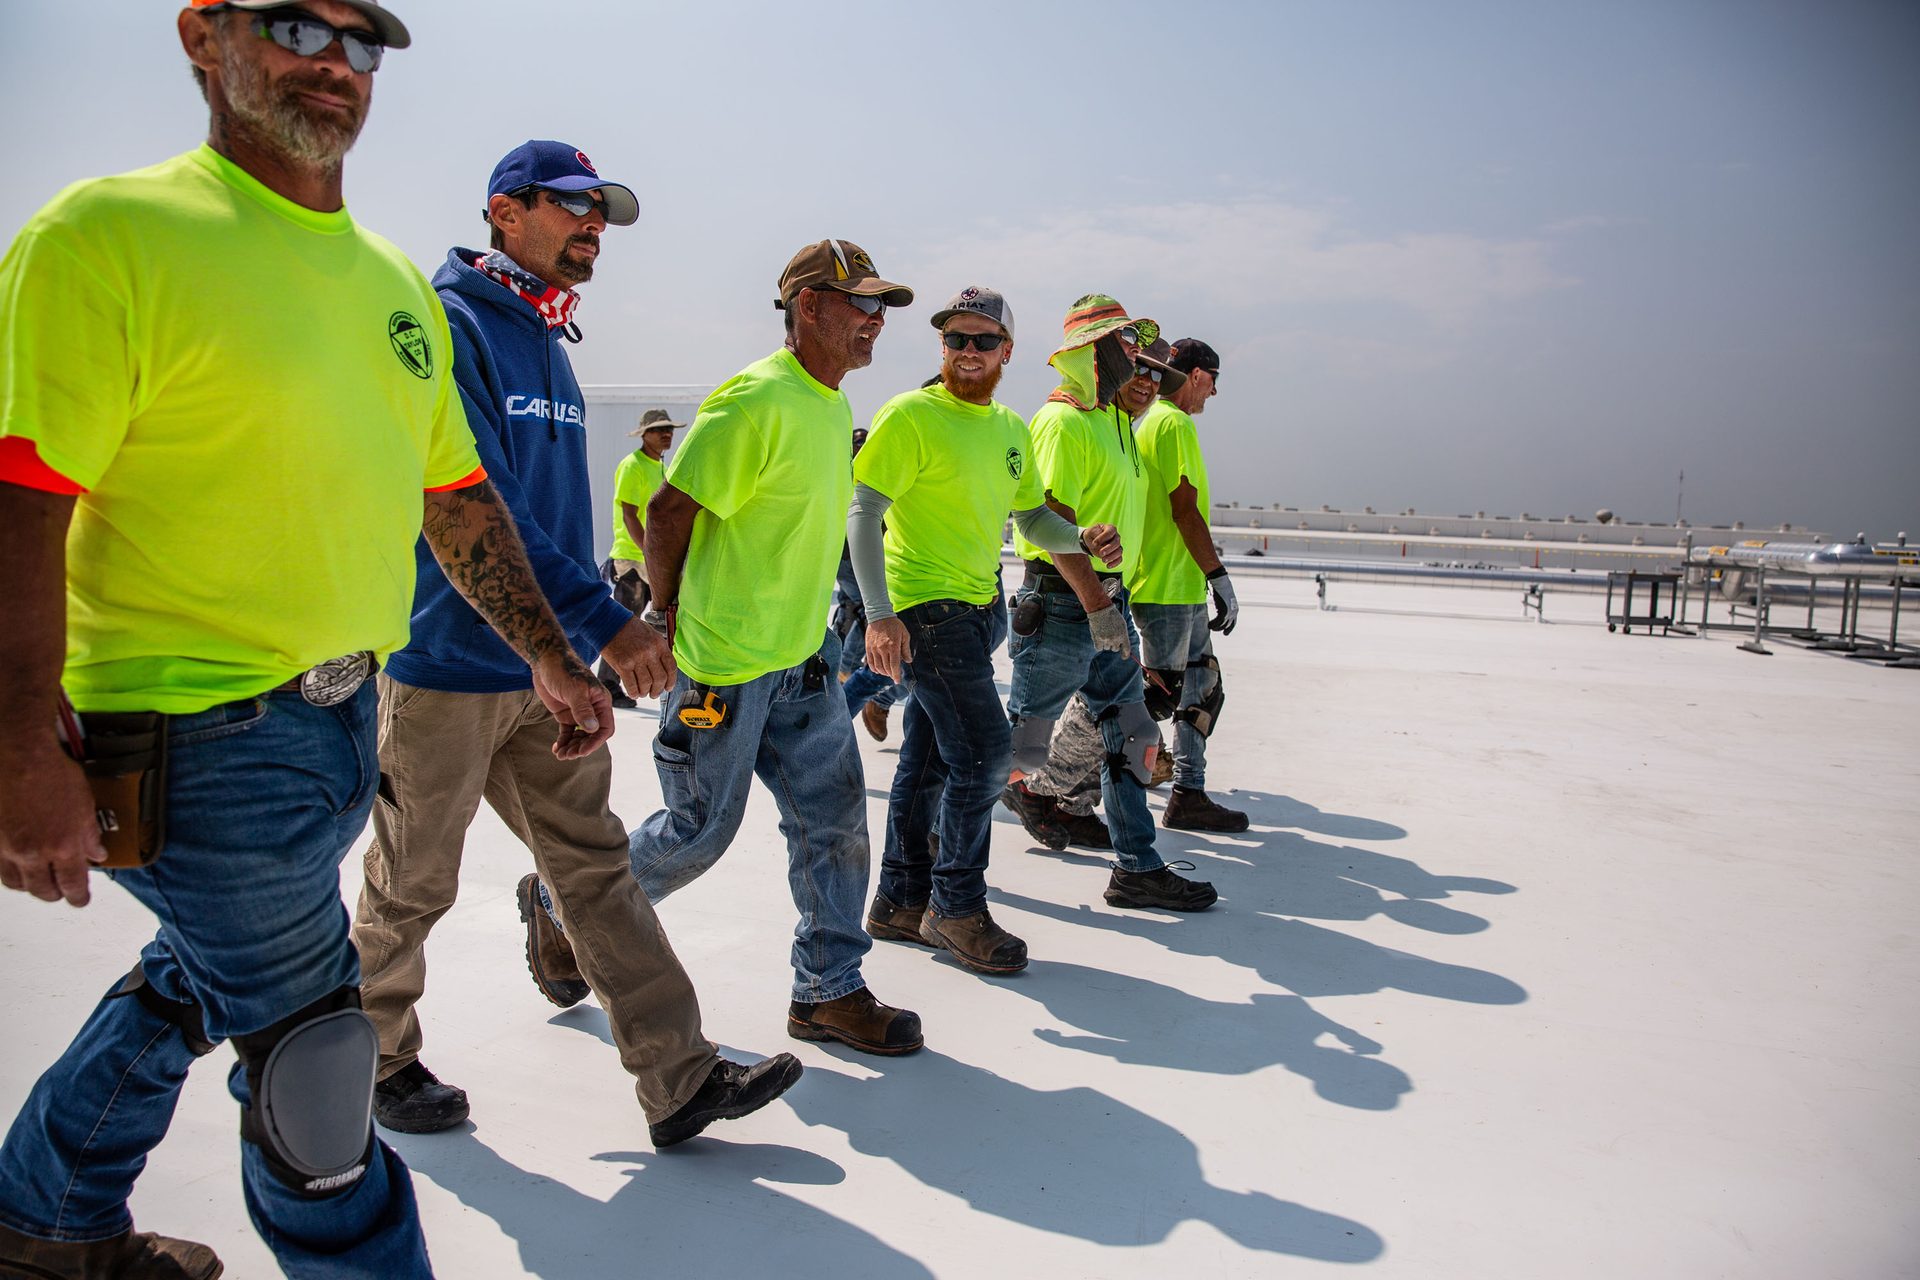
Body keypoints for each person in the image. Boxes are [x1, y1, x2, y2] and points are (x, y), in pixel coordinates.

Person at [0, 2, 602, 1272]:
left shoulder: (390, 285)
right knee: (321, 1063)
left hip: (342, 721)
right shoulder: (107, 236)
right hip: (191, 730)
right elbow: (20, 498)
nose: (334, 63)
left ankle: (43, 1218)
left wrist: (550, 652)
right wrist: (14, 744)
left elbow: (454, 498)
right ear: (203, 36)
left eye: (360, 41)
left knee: (188, 981)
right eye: (293, 25)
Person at [349, 140, 800, 1150]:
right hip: (447, 668)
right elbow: (481, 506)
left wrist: (576, 641)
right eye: (571, 206)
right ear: (505, 212)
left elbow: (556, 512)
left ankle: (678, 1075)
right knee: (413, 878)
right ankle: (370, 1057)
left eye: (603, 213)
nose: (592, 226)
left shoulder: (550, 338)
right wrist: (604, 623)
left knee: (595, 868)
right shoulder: (450, 324)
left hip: (541, 674)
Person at [604, 239, 925, 1053]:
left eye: (882, 309)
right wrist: (664, 616)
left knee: (836, 824)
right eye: (862, 305)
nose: (875, 324)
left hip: (803, 664)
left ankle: (829, 990)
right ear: (807, 305)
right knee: (697, 834)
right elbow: (673, 511)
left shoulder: (825, 405)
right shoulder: (754, 400)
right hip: (723, 669)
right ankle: (565, 909)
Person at [850, 287, 1120, 974]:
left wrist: (1081, 536)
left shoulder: (1008, 427)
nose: (967, 352)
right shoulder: (911, 414)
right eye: (954, 340)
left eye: (982, 340)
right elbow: (863, 512)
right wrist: (879, 615)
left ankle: (899, 901)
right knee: (985, 755)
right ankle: (957, 908)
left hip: (978, 610)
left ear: (1007, 350)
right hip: (924, 610)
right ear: (941, 347)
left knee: (930, 761)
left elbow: (1031, 520)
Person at [1003, 296, 1217, 912]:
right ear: (1087, 352)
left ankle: (1137, 867)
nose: (1138, 364)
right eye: (1124, 348)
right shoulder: (1063, 422)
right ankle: (935, 863)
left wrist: (1111, 602)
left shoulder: (1112, 421)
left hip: (1104, 601)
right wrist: (1098, 604)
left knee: (1133, 731)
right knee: (1015, 752)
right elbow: (1049, 523)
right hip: (1063, 605)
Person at [1127, 337, 1248, 831]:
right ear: (1197, 375)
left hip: (1176, 585)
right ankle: (1060, 788)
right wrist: (1219, 575)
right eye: (1214, 380)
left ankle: (1188, 793)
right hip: (1165, 588)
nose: (1214, 393)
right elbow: (1185, 510)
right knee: (1151, 700)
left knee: (1202, 687)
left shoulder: (1148, 420)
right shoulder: (1172, 423)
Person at [598, 408, 683, 707]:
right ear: (644, 434)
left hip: (649, 559)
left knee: (645, 621)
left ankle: (616, 683)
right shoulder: (632, 465)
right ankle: (607, 684)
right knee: (624, 622)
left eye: (669, 429)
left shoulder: (660, 467)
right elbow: (629, 514)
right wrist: (649, 552)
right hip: (632, 558)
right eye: (660, 429)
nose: (667, 434)